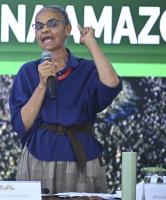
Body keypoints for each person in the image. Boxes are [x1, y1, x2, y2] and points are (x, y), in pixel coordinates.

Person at [9, 5, 122, 193]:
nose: (44, 29)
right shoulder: (28, 72)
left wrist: (91, 43)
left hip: (82, 158)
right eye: (39, 26)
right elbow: (21, 124)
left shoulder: (87, 69)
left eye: (52, 24)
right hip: (39, 157)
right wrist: (42, 85)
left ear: (67, 30)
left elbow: (112, 84)